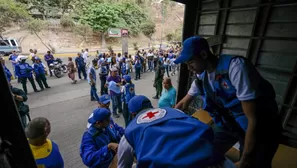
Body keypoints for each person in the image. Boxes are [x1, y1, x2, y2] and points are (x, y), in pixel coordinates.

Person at [174, 36, 282, 168]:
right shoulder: (203, 77)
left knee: (254, 164)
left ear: (203, 54)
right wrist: (168, 121)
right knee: (203, 149)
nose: (189, 68)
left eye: (190, 62)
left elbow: (254, 120)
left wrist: (245, 160)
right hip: (229, 123)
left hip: (259, 127)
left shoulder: (236, 68)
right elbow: (184, 103)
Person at [117, 95, 236, 168]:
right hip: (213, 159)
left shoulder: (129, 133)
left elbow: (122, 166)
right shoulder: (175, 111)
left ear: (133, 114)